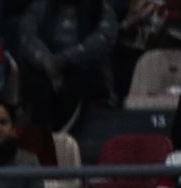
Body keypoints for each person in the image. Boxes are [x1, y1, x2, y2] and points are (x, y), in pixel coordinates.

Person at [14, 0, 117, 130]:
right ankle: (41, 137)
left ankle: (62, 135)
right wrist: (46, 61)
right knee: (36, 84)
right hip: (44, 69)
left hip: (82, 70)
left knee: (78, 82)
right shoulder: (38, 7)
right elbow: (27, 39)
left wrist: (63, 60)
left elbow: (102, 41)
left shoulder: (102, 9)